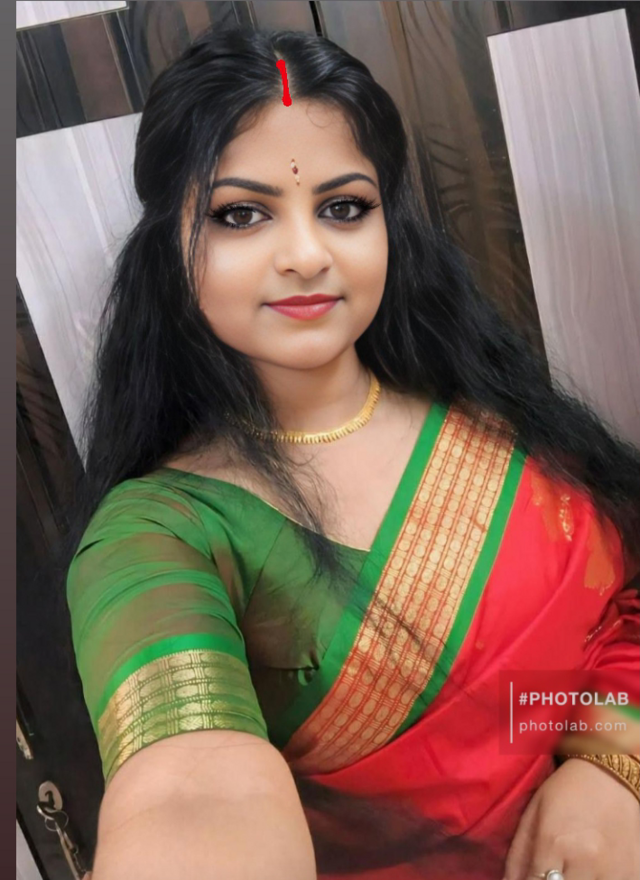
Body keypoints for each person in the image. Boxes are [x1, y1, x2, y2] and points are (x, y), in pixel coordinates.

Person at [61, 24, 640, 880]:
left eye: (344, 207)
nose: (306, 255)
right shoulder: (159, 533)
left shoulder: (496, 418)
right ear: (170, 249)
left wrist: (609, 769)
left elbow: (616, 611)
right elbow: (189, 790)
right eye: (240, 214)